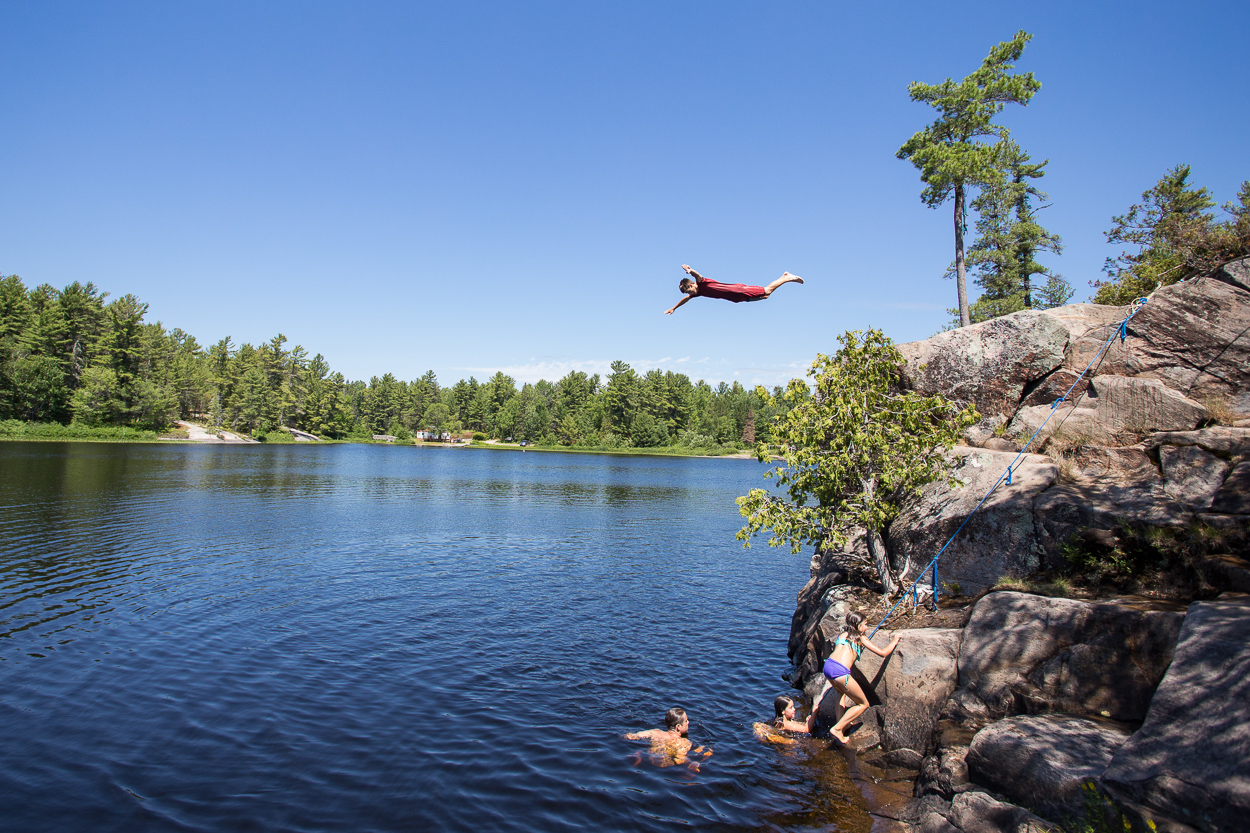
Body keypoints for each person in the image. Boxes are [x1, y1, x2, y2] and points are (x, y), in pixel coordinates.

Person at [813, 611, 901, 744]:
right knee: (863, 704)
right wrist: (895, 640)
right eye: (865, 624)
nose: (866, 627)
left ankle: (842, 724)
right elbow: (883, 653)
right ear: (858, 625)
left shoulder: (842, 635)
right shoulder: (861, 638)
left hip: (828, 666)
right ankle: (837, 728)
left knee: (841, 693)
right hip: (840, 671)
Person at [664, 264, 804, 315]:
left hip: (739, 291)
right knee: (766, 296)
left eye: (689, 291)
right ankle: (784, 277)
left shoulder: (701, 284)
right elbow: (685, 300)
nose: (690, 294)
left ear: (691, 285)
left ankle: (786, 277)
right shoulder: (698, 293)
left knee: (766, 291)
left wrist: (690, 270)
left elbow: (698, 275)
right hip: (736, 298)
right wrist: (674, 308)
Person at [624, 707, 713, 771]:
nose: (688, 723)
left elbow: (629, 736)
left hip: (649, 759)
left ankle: (638, 754)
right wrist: (693, 762)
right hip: (663, 767)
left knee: (641, 751)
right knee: (708, 751)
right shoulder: (683, 742)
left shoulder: (655, 732)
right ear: (678, 727)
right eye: (686, 721)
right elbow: (679, 760)